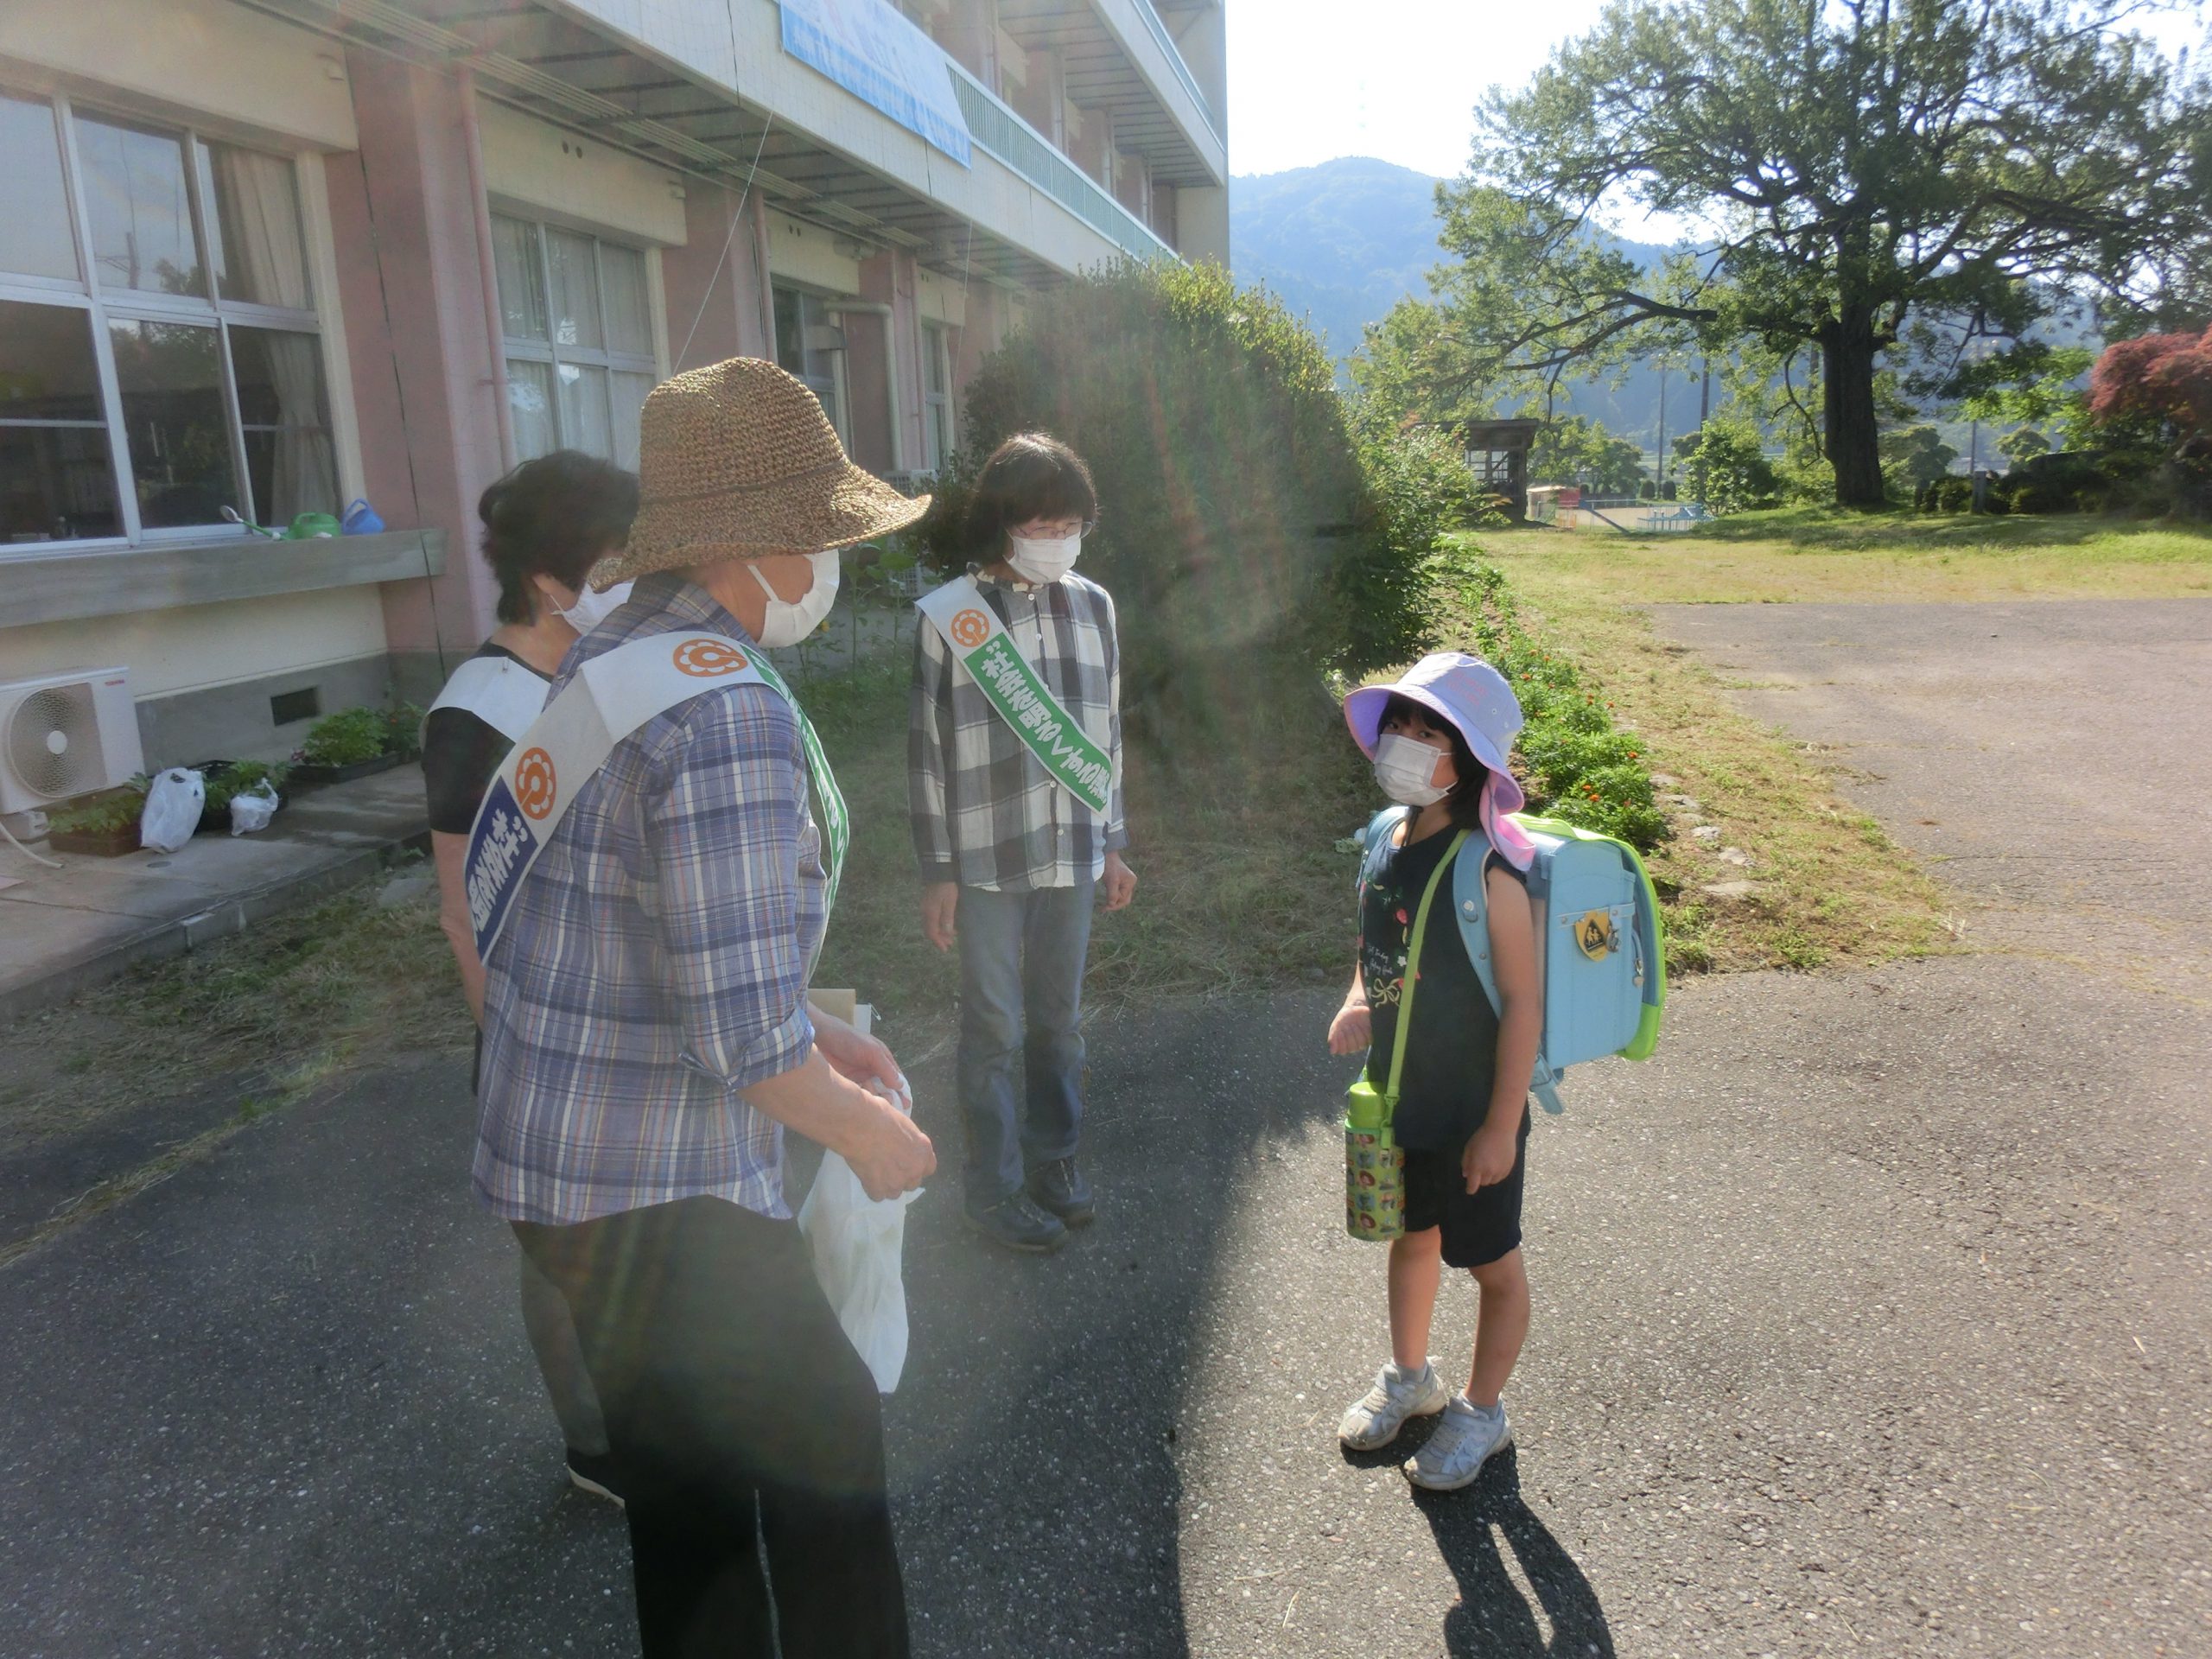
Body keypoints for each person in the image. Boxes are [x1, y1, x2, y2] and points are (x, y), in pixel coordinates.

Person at [472, 358, 936, 1658]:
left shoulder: (614, 651)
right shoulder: (724, 708)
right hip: (657, 1185)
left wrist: (812, 1027)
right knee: (827, 1466)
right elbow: (737, 1038)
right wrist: (869, 1133)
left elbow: (632, 916)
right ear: (753, 546)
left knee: (684, 1501)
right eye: (817, 535)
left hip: (558, 1163)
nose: (827, 564)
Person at [421, 450, 637, 1505]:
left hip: (630, 1014)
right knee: (564, 1251)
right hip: (543, 1035)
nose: (636, 579)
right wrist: (520, 1057)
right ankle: (596, 1446)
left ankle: (659, 1414)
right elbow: (464, 912)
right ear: (550, 581)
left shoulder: (606, 668)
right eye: (618, 562)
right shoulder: (479, 712)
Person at [908, 433, 1136, 1255]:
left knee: (1059, 1023)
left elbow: (1106, 733)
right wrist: (938, 869)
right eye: (1041, 524)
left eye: (1070, 525)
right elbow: (927, 751)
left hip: (1073, 849)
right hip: (984, 856)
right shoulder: (950, 616)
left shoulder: (1096, 606)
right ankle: (994, 1189)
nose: (1057, 539)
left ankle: (1055, 1161)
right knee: (993, 1028)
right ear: (1002, 524)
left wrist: (1114, 841)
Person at [1329, 653, 1543, 1492]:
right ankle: (1410, 1377)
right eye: (1401, 725)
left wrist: (1500, 1127)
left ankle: (1482, 1412)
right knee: (1410, 1237)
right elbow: (1375, 939)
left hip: (1474, 1110)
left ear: (1471, 760)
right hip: (1400, 1096)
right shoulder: (1386, 835)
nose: (1407, 743)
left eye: (1432, 732)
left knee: (1493, 1264)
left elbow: (1522, 1003)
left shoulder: (1485, 868)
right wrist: (1357, 999)